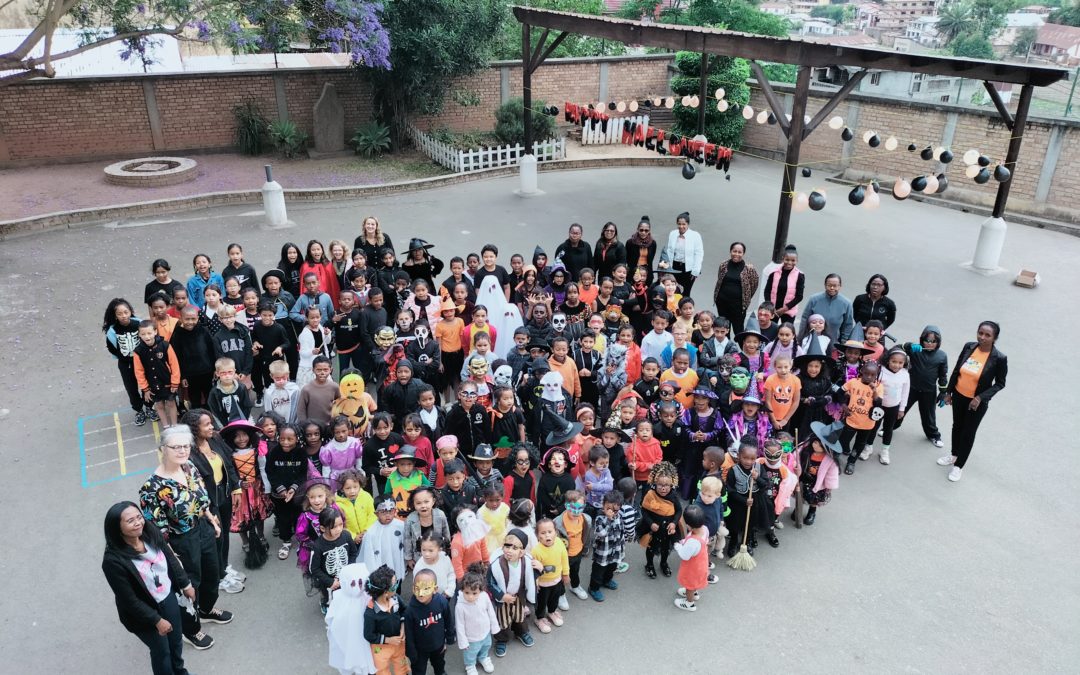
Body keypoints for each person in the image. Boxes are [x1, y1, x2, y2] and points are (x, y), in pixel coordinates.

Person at [139, 425, 231, 651]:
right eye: (176, 447)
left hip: (203, 529)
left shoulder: (189, 467)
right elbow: (156, 531)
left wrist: (210, 518)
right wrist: (173, 558)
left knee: (212, 573)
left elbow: (201, 497)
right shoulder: (152, 488)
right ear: (163, 449)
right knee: (189, 585)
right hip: (181, 541)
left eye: (185, 446)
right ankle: (191, 629)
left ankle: (207, 609)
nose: (182, 451)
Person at [102, 501, 195, 675]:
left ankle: (180, 672)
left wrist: (185, 583)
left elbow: (169, 556)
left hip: (167, 597)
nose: (138, 523)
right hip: (143, 613)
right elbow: (129, 600)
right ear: (117, 527)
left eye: (139, 517)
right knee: (162, 652)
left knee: (175, 642)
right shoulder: (112, 561)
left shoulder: (148, 532)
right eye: (130, 521)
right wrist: (156, 620)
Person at [939, 321, 1007, 482]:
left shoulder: (999, 358)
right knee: (957, 426)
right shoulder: (969, 347)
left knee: (968, 432)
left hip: (976, 402)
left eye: (987, 335)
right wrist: (949, 392)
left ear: (994, 338)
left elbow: (1000, 383)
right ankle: (954, 455)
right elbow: (957, 369)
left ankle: (958, 466)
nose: (982, 337)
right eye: (980, 333)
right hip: (959, 396)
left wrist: (980, 397)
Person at [896, 325, 949, 448]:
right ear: (922, 339)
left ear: (938, 342)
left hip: (929, 391)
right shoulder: (916, 350)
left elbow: (943, 376)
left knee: (929, 415)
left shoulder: (942, 356)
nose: (930, 344)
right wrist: (908, 346)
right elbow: (896, 349)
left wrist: (943, 392)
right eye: (927, 340)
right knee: (900, 409)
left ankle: (933, 435)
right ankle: (890, 427)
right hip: (910, 388)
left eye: (933, 341)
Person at [104, 298, 155, 426]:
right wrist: (123, 357)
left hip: (143, 362)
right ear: (115, 316)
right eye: (119, 314)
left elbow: (148, 338)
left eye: (126, 312)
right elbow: (112, 348)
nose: (123, 316)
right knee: (131, 387)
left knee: (147, 384)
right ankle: (139, 410)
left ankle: (149, 406)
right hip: (126, 364)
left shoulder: (139, 323)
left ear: (130, 311)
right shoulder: (112, 331)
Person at [487, 529, 537, 656]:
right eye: (507, 546)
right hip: (503, 597)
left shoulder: (527, 562)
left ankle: (521, 632)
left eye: (514, 548)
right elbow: (490, 582)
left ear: (522, 552)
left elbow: (532, 577)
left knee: (519, 616)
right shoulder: (496, 564)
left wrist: (540, 568)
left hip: (519, 596)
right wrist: (502, 596)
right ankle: (501, 639)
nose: (509, 550)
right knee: (502, 620)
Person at [326, 563, 377, 675]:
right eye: (353, 583)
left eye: (360, 582)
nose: (358, 587)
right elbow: (331, 619)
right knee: (348, 656)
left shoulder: (368, 596)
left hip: (365, 636)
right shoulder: (339, 598)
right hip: (348, 636)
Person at [133, 320, 181, 427]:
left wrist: (175, 382)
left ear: (155, 332)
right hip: (152, 384)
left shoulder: (165, 346)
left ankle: (174, 425)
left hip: (167, 382)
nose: (147, 336)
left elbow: (174, 365)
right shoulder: (138, 351)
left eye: (149, 333)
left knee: (171, 403)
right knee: (159, 405)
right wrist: (145, 388)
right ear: (139, 334)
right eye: (143, 334)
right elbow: (139, 372)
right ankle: (166, 426)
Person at [639, 461, 682, 579]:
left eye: (667, 485)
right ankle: (649, 564)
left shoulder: (673, 496)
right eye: (660, 485)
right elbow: (644, 510)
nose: (663, 488)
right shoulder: (650, 494)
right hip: (653, 528)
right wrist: (650, 523)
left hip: (668, 528)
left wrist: (674, 523)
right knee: (651, 547)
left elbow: (679, 511)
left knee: (665, 548)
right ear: (654, 483)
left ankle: (664, 563)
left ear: (671, 484)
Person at [310, 508, 359, 614]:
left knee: (346, 594)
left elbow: (353, 553)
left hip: (345, 576)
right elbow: (315, 569)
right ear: (323, 528)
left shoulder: (346, 535)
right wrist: (330, 581)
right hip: (328, 581)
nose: (338, 529)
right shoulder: (318, 546)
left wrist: (347, 570)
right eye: (333, 527)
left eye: (340, 525)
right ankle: (325, 603)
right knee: (328, 597)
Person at [364, 564, 408, 675]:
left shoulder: (395, 598)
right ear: (385, 593)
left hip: (399, 643)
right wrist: (388, 640)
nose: (397, 586)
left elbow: (404, 610)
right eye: (395, 585)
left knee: (401, 664)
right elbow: (369, 635)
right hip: (380, 648)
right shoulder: (371, 613)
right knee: (381, 670)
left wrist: (403, 626)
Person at [454, 569, 499, 675]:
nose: (470, 596)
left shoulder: (484, 597)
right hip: (471, 637)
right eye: (467, 592)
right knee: (470, 653)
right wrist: (463, 641)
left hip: (485, 632)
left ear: (481, 590)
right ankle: (470, 665)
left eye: (474, 593)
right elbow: (459, 625)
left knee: (486, 646)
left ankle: (483, 658)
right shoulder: (460, 606)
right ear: (462, 590)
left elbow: (490, 612)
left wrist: (494, 626)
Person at [531, 518, 569, 634]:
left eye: (550, 531)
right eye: (543, 533)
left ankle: (552, 612)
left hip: (557, 580)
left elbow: (564, 558)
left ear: (555, 532)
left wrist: (566, 574)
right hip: (542, 584)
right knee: (542, 603)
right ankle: (540, 618)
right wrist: (535, 583)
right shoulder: (536, 550)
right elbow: (534, 570)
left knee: (554, 599)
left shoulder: (559, 543)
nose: (547, 535)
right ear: (538, 536)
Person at [711, 241, 758, 334]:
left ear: (743, 253)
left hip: (738, 306)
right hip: (722, 303)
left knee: (738, 330)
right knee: (724, 328)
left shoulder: (749, 269)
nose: (736, 254)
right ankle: (726, 347)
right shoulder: (723, 265)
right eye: (734, 251)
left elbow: (754, 285)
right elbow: (720, 280)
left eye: (739, 252)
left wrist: (746, 298)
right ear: (730, 251)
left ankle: (741, 348)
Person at [673, 503, 709, 612]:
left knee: (690, 584)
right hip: (701, 564)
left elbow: (685, 555)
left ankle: (689, 603)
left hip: (693, 568)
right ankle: (695, 593)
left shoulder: (693, 542)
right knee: (695, 583)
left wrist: (678, 546)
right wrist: (685, 542)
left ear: (688, 526)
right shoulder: (705, 529)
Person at [659, 212, 705, 297]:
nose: (681, 226)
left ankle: (684, 309)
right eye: (679, 224)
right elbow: (669, 250)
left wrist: (696, 271)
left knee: (686, 292)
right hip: (674, 267)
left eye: (684, 224)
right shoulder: (673, 234)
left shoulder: (695, 236)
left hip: (688, 269)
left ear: (688, 224)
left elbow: (699, 253)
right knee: (674, 290)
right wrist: (667, 266)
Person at [800, 274, 855, 343]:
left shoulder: (846, 303)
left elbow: (848, 325)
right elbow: (805, 319)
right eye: (829, 285)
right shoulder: (814, 299)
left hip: (833, 342)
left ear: (840, 286)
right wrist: (801, 336)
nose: (832, 288)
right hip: (812, 341)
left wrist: (844, 342)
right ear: (825, 285)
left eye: (835, 286)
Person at [762, 245, 805, 324]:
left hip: (789, 311)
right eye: (787, 259)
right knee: (771, 333)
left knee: (786, 333)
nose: (789, 262)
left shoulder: (800, 275)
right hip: (773, 310)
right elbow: (767, 291)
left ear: (797, 261)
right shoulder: (774, 272)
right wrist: (770, 306)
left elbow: (799, 296)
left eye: (793, 260)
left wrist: (784, 309)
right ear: (783, 259)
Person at [625, 216, 657, 287]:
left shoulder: (652, 243)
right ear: (637, 229)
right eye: (641, 230)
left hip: (647, 271)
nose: (643, 232)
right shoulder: (630, 242)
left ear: (649, 231)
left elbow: (651, 259)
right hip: (633, 271)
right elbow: (627, 258)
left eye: (646, 230)